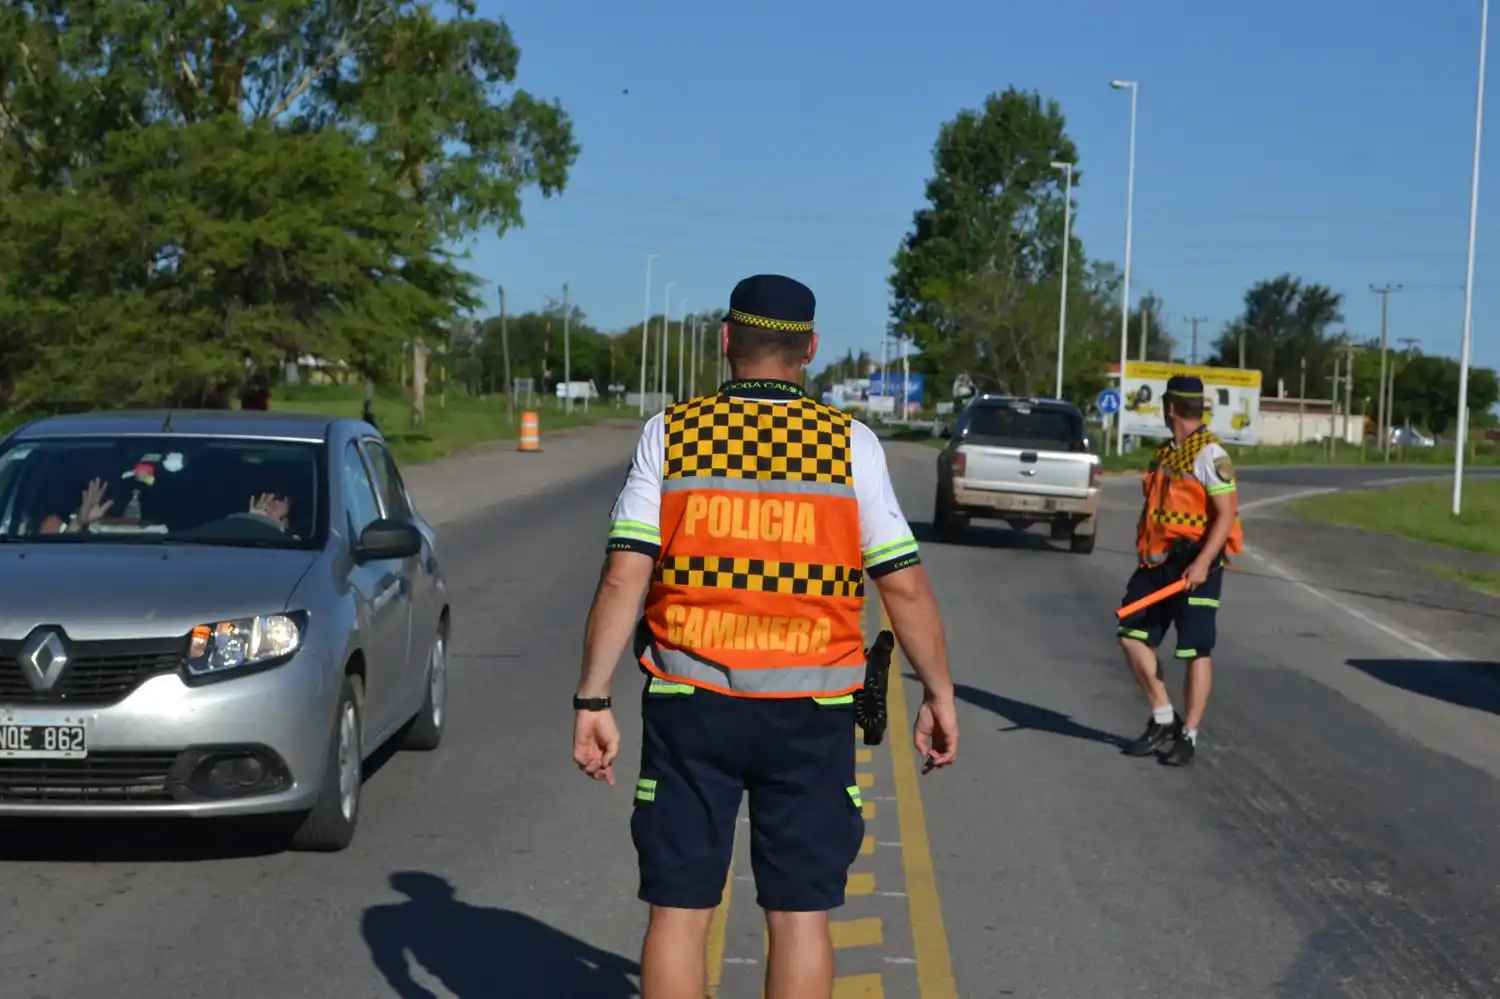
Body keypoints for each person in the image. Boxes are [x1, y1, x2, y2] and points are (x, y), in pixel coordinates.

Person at [571, 274, 959, 999]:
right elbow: (902, 585)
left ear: (726, 341)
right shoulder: (850, 445)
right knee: (800, 916)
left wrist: (592, 698)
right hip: (811, 713)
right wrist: (937, 692)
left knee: (679, 911)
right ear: (810, 350)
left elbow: (625, 575)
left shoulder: (670, 434)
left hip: (691, 705)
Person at [1116, 374, 1244, 767]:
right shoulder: (1166, 452)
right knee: (1131, 633)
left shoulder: (1210, 454)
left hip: (1196, 569)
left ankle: (1188, 734)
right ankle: (1163, 717)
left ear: (1170, 407)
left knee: (1194, 650)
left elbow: (1226, 515)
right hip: (1156, 566)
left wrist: (1202, 563)